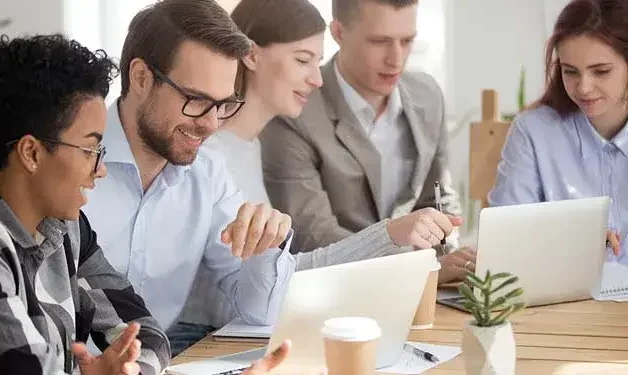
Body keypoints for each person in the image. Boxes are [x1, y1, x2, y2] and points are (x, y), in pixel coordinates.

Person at [179, 0, 474, 332]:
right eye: (303, 60)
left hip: (265, 326)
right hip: (211, 337)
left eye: (317, 61)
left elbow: (273, 277)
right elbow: (281, 271)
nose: (317, 80)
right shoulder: (213, 155)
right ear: (251, 55)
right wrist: (399, 244)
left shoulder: (252, 146)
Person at [0, 34, 171, 375]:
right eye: (90, 150)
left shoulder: (66, 229)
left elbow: (147, 334)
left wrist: (130, 369)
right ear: (31, 153)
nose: (100, 169)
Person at [81, 0, 295, 356]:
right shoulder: (70, 160)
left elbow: (257, 312)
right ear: (141, 78)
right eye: (196, 100)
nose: (212, 124)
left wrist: (266, 246)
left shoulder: (207, 173)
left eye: (223, 104)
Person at [258, 0, 476, 270]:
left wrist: (450, 253)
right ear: (338, 33)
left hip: (426, 286)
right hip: (339, 290)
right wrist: (424, 268)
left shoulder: (428, 94)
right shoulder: (293, 112)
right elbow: (314, 238)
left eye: (407, 41)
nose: (396, 59)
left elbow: (439, 199)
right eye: (379, 41)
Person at [488, 0, 626, 262]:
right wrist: (567, 238)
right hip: (562, 300)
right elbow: (504, 240)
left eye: (601, 71)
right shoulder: (533, 131)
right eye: (570, 71)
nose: (583, 87)